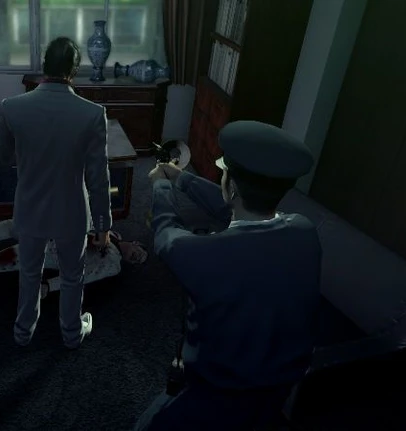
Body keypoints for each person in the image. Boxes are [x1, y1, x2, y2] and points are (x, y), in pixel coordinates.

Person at [135, 121, 321, 430]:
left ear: (230, 185)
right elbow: (232, 211)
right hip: (277, 391)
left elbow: (166, 232)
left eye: (224, 173)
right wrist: (182, 178)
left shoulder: (202, 254)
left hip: (216, 395)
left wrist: (161, 185)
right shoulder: (305, 230)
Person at [0, 37, 112, 349]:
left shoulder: (11, 108)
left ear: (44, 66)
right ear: (74, 70)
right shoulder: (93, 113)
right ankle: (71, 333)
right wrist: (103, 225)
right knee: (73, 275)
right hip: (72, 211)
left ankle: (23, 331)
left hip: (30, 207)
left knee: (29, 273)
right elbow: (98, 178)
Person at [0, 219, 147, 297]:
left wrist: (50, 286)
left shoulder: (113, 264)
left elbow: (84, 275)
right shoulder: (112, 231)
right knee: (12, 226)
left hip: (52, 251)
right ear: (136, 243)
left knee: (4, 259)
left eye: (137, 261)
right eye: (140, 253)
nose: (137, 258)